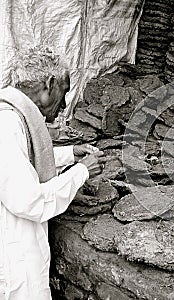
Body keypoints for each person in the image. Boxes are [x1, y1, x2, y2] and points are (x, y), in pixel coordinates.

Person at [0, 47, 106, 300]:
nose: (65, 105)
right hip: (14, 256)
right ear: (49, 85)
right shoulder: (7, 124)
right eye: (65, 92)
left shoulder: (14, 114)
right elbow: (30, 201)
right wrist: (81, 172)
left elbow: (22, 161)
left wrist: (70, 153)